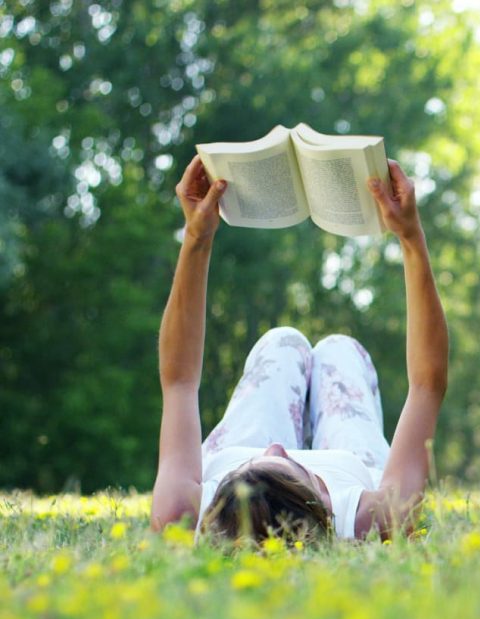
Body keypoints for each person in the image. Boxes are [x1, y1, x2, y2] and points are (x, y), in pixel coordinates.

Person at [149, 156, 448, 544]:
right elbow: (427, 385)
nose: (280, 447)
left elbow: (179, 380)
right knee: (341, 350)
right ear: (325, 502)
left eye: (262, 460)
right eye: (290, 462)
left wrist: (196, 237)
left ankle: (263, 460)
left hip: (236, 459)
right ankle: (329, 381)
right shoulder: (372, 517)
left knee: (282, 343)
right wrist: (411, 239)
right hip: (353, 466)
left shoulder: (183, 511)